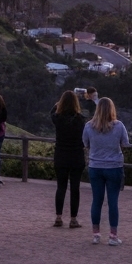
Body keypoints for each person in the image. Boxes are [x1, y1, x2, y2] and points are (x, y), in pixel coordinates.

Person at [83, 97, 131, 246]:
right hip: (114, 167)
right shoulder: (119, 126)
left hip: (95, 166)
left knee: (96, 201)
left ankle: (96, 235)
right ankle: (113, 236)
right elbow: (125, 143)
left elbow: (85, 143)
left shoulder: (89, 126)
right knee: (113, 202)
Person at [51, 91, 87, 228]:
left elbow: (51, 113)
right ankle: (73, 219)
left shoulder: (57, 118)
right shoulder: (80, 120)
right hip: (76, 156)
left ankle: (58, 217)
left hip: (60, 155)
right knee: (75, 188)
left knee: (61, 187)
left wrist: (57, 105)